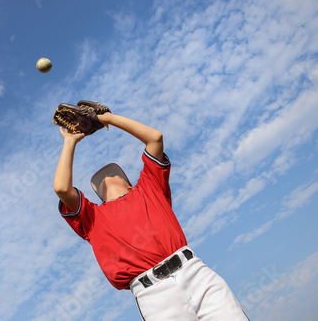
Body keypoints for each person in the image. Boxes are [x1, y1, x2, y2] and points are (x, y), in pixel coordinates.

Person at [53, 111, 249, 320]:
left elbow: (155, 138)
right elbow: (62, 188)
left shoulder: (149, 187)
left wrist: (107, 118)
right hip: (154, 294)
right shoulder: (92, 217)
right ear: (98, 197)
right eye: (101, 179)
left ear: (129, 184)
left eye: (112, 173)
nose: (107, 176)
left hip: (195, 273)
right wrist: (70, 141)